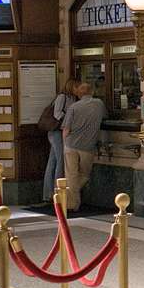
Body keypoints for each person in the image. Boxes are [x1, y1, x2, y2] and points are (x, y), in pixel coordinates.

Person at [61, 82, 106, 212]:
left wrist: (65, 144)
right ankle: (71, 201)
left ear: (79, 94)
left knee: (71, 175)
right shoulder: (99, 104)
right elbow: (105, 116)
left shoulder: (73, 107)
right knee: (85, 174)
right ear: (92, 92)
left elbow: (66, 129)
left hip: (71, 144)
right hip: (88, 146)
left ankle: (71, 203)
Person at [43, 79, 79, 201]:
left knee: (53, 161)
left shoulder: (73, 99)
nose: (78, 89)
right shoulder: (62, 97)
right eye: (76, 87)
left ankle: (49, 193)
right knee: (60, 160)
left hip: (60, 131)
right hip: (56, 132)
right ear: (71, 87)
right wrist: (69, 119)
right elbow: (57, 113)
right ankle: (57, 191)